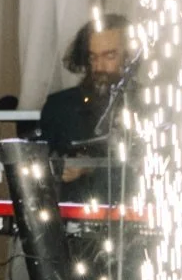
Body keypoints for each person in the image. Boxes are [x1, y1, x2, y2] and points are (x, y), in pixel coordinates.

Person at [39, 14, 136, 200]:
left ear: (130, 57)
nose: (99, 67)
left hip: (131, 218)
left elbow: (146, 171)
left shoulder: (148, 107)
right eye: (93, 58)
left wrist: (90, 168)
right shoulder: (60, 107)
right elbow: (41, 173)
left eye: (109, 56)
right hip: (72, 218)